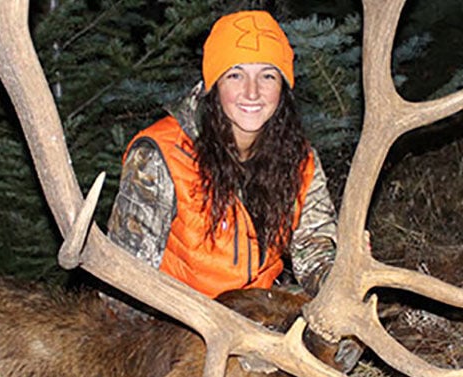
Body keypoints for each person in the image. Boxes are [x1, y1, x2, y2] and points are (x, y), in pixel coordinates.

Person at [107, 10, 338, 300]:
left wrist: (339, 280)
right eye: (235, 75)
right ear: (213, 85)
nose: (252, 92)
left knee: (341, 337)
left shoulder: (299, 160)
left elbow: (314, 252)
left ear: (283, 86)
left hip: (257, 311)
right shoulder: (161, 155)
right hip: (178, 324)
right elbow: (126, 279)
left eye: (267, 75)